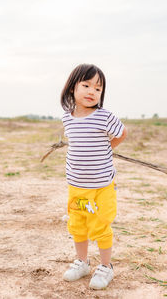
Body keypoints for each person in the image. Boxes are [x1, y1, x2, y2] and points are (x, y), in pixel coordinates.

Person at [60, 63, 127, 289]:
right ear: (72, 88)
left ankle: (106, 267)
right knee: (78, 224)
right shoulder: (67, 118)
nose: (92, 91)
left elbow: (121, 133)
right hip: (76, 185)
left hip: (101, 187)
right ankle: (82, 262)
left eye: (98, 88)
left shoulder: (104, 116)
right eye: (86, 85)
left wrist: (108, 148)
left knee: (100, 225)